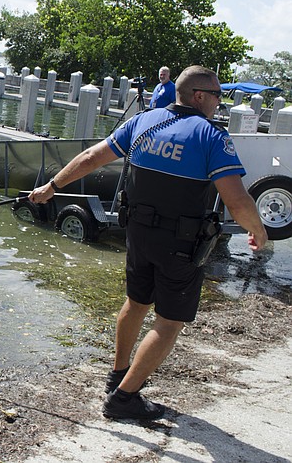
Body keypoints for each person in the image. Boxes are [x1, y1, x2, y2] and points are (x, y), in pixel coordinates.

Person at [28, 65, 267, 421]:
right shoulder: (211, 137)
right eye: (218, 96)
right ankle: (124, 399)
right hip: (181, 242)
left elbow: (91, 158)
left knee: (136, 302)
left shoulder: (143, 121)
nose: (220, 103)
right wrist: (258, 229)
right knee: (169, 322)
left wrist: (52, 187)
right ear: (199, 96)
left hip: (138, 233)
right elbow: (236, 200)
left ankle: (118, 375)